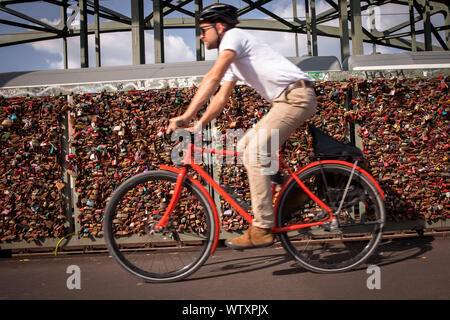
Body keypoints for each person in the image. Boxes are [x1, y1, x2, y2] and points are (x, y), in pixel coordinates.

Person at [166, 3, 317, 250]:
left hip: (296, 97)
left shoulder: (234, 38)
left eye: (204, 30)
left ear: (220, 26)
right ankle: (291, 190)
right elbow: (221, 97)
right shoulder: (234, 57)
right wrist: (199, 124)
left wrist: (185, 115)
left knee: (256, 152)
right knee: (245, 144)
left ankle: (262, 228)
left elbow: (212, 78)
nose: (201, 36)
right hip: (286, 99)